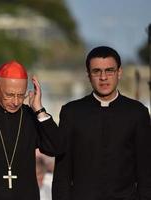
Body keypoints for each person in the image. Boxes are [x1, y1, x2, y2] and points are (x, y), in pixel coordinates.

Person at [52, 46, 151, 200]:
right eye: (96, 71)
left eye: (109, 70)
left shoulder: (137, 113)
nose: (103, 77)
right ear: (88, 75)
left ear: (119, 73)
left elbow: (146, 172)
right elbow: (62, 173)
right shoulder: (71, 112)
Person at [0, 61, 63, 200]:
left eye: (20, 95)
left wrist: (39, 110)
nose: (15, 101)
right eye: (9, 95)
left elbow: (56, 148)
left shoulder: (31, 117)